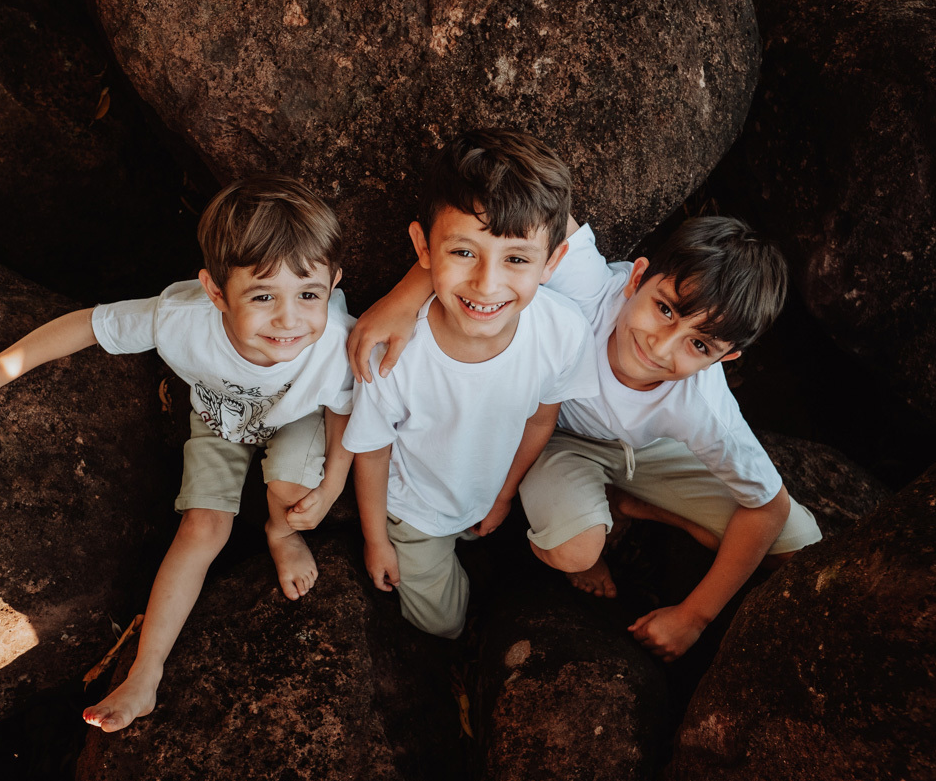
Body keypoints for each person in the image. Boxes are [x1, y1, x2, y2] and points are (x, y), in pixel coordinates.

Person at [0, 175, 356, 731]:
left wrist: (334, 485)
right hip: (218, 416)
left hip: (298, 415)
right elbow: (90, 325)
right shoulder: (181, 317)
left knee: (292, 496)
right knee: (202, 528)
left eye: (309, 294)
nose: (289, 319)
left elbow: (345, 408)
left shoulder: (336, 342)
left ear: (333, 283)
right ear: (216, 292)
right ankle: (146, 672)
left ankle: (279, 536)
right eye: (263, 296)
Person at [349, 213, 821, 661]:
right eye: (664, 309)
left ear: (726, 358)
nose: (661, 346)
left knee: (801, 549)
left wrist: (694, 616)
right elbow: (514, 198)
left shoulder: (704, 408)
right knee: (575, 551)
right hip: (556, 439)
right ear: (637, 277)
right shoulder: (589, 286)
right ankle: (612, 512)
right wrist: (404, 295)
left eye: (699, 345)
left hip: (650, 451)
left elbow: (769, 506)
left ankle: (632, 505)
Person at [342, 129, 599, 639]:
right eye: (464, 252)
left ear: (552, 262)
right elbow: (371, 450)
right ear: (423, 246)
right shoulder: (393, 354)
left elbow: (541, 419)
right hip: (415, 512)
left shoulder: (563, 332)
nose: (487, 284)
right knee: (443, 626)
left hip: (486, 495)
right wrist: (376, 540)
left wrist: (504, 496)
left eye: (517, 259)